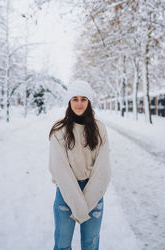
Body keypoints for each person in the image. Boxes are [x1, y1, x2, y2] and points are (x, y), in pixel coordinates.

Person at [48, 79, 111, 250]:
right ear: (69, 101)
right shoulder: (59, 131)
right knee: (62, 245)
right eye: (75, 99)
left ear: (89, 101)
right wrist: (78, 204)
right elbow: (60, 171)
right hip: (66, 191)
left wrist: (88, 201)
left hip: (94, 190)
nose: (79, 103)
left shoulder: (100, 129)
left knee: (91, 244)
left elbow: (103, 168)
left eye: (84, 99)